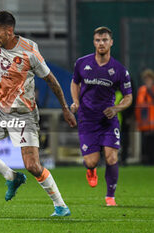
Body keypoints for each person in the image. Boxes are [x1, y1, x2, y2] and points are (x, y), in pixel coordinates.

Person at [0, 11, 76, 217]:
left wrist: (65, 109)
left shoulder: (30, 53)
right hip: (1, 113)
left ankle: (61, 206)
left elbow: (52, 81)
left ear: (9, 31)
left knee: (33, 166)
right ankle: (11, 176)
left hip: (24, 115)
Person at [70, 26, 133, 206]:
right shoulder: (82, 63)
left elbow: (129, 96)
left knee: (112, 157)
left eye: (105, 40)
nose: (101, 43)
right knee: (91, 162)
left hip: (108, 119)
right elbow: (75, 83)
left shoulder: (119, 70)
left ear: (111, 42)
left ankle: (110, 196)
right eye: (98, 40)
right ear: (94, 42)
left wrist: (116, 109)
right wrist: (75, 101)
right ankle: (91, 170)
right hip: (87, 119)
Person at [135, 68, 154, 165]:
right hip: (145, 122)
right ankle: (145, 161)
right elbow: (139, 105)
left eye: (149, 78)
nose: (148, 81)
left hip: (152, 121)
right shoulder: (142, 90)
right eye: (146, 79)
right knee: (145, 143)